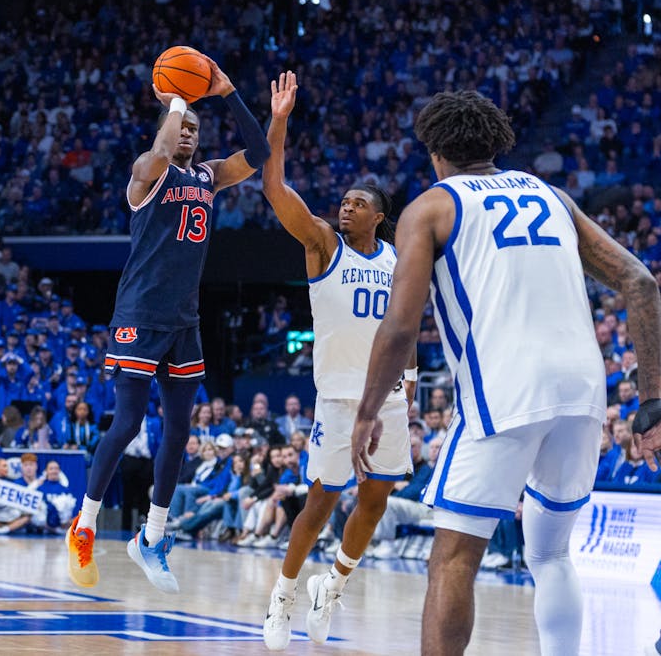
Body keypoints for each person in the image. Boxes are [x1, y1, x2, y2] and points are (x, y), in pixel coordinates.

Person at [350, 89, 661, 656]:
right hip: (583, 392)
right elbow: (640, 282)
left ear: (434, 152)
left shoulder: (431, 208)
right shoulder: (553, 196)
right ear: (496, 143)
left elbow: (399, 328)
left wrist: (368, 410)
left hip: (504, 391)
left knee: (453, 559)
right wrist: (653, 401)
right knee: (551, 554)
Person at [67, 53, 270, 593]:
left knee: (180, 430)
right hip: (139, 313)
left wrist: (228, 93)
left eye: (194, 129)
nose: (187, 133)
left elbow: (259, 153)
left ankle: (152, 537)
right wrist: (176, 102)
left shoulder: (208, 175)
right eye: (181, 126)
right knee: (129, 423)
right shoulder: (146, 173)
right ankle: (84, 525)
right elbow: (158, 152)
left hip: (184, 320)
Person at [259, 72, 416, 650]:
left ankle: (334, 585)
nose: (346, 207)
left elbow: (406, 325)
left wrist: (412, 380)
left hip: (389, 400)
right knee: (320, 501)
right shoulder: (324, 243)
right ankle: (282, 598)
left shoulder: (399, 258)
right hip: (338, 397)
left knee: (375, 500)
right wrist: (279, 121)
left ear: (378, 216)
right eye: (344, 202)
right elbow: (274, 186)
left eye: (358, 204)